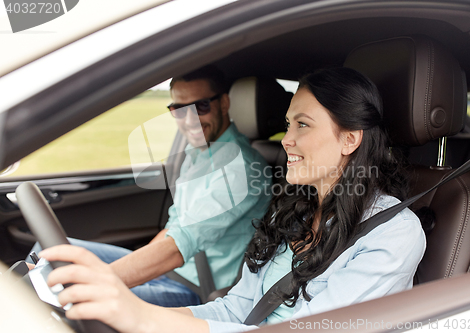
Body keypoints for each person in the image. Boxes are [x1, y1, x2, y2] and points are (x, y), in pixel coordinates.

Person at [40, 67, 426, 333]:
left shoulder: (394, 234)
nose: (286, 139)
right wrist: (152, 320)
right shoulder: (295, 210)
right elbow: (235, 308)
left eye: (303, 125)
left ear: (349, 138)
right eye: (289, 124)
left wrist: (140, 317)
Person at [28, 65, 273, 308]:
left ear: (224, 103)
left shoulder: (241, 169)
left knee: (64, 300)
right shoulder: (197, 151)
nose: (190, 121)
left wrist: (96, 282)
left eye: (201, 106)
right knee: (49, 253)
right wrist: (139, 266)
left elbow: (177, 246)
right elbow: (174, 225)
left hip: (194, 288)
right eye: (179, 109)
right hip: (167, 269)